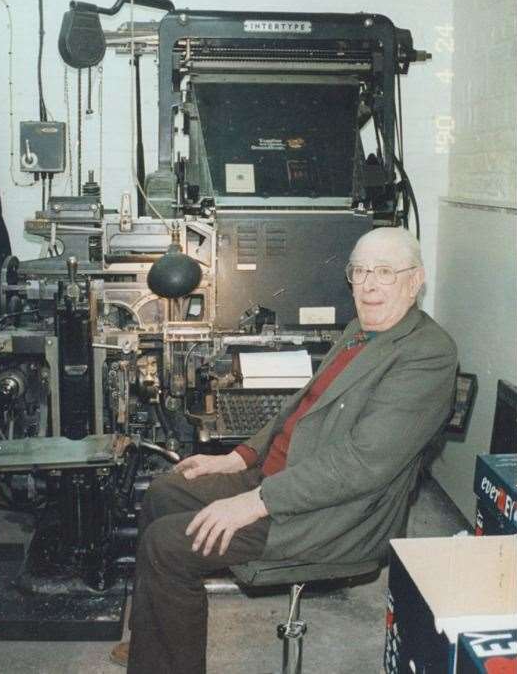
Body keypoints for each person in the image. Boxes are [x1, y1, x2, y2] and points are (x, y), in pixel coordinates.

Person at [111, 227, 458, 673]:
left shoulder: (427, 354)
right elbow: (299, 409)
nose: (369, 285)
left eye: (386, 272)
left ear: (416, 281)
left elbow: (362, 465)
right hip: (282, 478)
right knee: (165, 491)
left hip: (330, 513)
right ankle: (153, 645)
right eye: (360, 271)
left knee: (168, 544)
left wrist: (253, 503)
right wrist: (238, 458)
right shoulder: (361, 329)